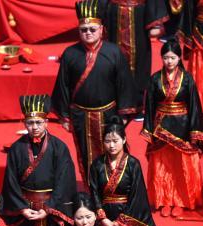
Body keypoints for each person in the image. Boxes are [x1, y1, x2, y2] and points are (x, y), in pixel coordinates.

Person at [1, 95, 76, 226]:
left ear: (47, 122)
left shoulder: (59, 147)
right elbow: (10, 181)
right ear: (24, 123)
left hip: (51, 211)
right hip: (25, 210)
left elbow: (65, 179)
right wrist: (22, 208)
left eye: (38, 122)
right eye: (30, 123)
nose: (34, 127)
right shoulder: (16, 149)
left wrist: (49, 208)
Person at [51, 1, 138, 182]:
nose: (88, 33)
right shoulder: (70, 54)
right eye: (84, 29)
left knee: (114, 152)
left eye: (92, 29)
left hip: (109, 115)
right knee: (85, 154)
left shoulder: (114, 52)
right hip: (81, 116)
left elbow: (124, 84)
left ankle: (116, 189)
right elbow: (63, 86)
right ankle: (92, 190)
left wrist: (123, 115)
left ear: (101, 29)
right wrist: (65, 117)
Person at [141, 37, 203, 216]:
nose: (169, 61)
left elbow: (194, 107)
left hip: (183, 126)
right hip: (161, 126)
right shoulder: (155, 79)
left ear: (179, 58)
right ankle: (164, 200)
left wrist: (194, 132)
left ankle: (181, 200)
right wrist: (149, 130)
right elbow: (150, 107)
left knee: (181, 165)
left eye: (173, 58)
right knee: (163, 165)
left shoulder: (187, 79)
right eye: (166, 58)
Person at [101, 0, 169, 102]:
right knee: (112, 57)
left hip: (138, 17)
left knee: (139, 60)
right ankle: (114, 100)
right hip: (114, 14)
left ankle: (137, 103)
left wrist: (156, 21)